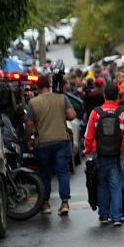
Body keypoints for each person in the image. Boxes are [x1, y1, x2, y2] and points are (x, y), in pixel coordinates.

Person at [25, 75, 77, 216]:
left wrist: (28, 139)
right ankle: (65, 203)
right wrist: (61, 115)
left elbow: (29, 124)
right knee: (62, 172)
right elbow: (72, 115)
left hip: (42, 143)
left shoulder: (33, 103)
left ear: (37, 87)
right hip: (61, 140)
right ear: (49, 85)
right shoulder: (61, 98)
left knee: (45, 173)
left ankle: (45, 204)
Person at [83, 84, 124, 226]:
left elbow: (88, 136)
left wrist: (88, 151)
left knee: (102, 185)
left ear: (104, 96)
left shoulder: (96, 113)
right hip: (118, 155)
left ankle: (104, 215)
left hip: (99, 154)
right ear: (118, 97)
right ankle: (116, 217)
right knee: (116, 186)